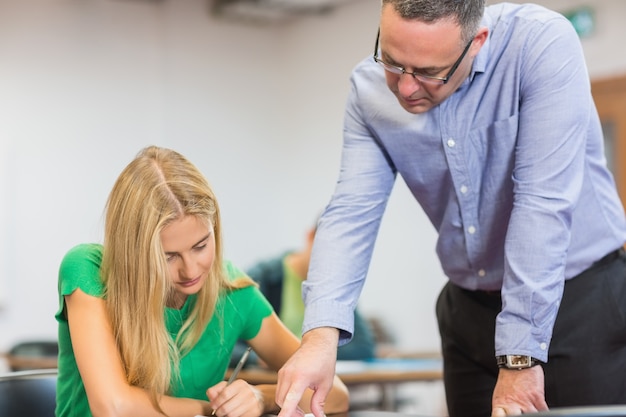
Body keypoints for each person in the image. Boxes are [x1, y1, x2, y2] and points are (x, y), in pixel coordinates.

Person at [274, 1, 626, 417]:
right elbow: (352, 211)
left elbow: (541, 203)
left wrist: (519, 358)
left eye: (428, 72)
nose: (405, 87)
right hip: (468, 310)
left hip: (578, 301)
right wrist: (319, 337)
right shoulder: (369, 90)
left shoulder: (539, 44)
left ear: (477, 42)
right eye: (391, 60)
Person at [54, 146, 349, 417]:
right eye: (168, 256)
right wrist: (215, 410)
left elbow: (334, 393)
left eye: (201, 246)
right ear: (134, 253)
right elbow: (113, 407)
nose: (191, 270)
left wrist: (260, 399)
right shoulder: (89, 270)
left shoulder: (232, 290)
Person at [230, 223, 377, 368]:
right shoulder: (261, 278)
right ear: (310, 236)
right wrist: (260, 359)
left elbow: (362, 347)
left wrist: (312, 354)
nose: (334, 261)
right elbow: (228, 345)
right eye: (330, 251)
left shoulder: (336, 288)